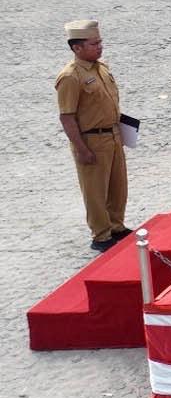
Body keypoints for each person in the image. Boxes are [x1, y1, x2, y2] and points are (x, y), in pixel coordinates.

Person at [56, 20, 132, 252]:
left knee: (118, 185)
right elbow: (67, 117)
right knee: (95, 191)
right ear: (77, 48)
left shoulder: (101, 67)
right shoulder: (70, 77)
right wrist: (81, 149)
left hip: (113, 134)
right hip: (92, 139)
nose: (100, 47)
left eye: (100, 42)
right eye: (94, 43)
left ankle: (116, 226)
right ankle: (101, 235)